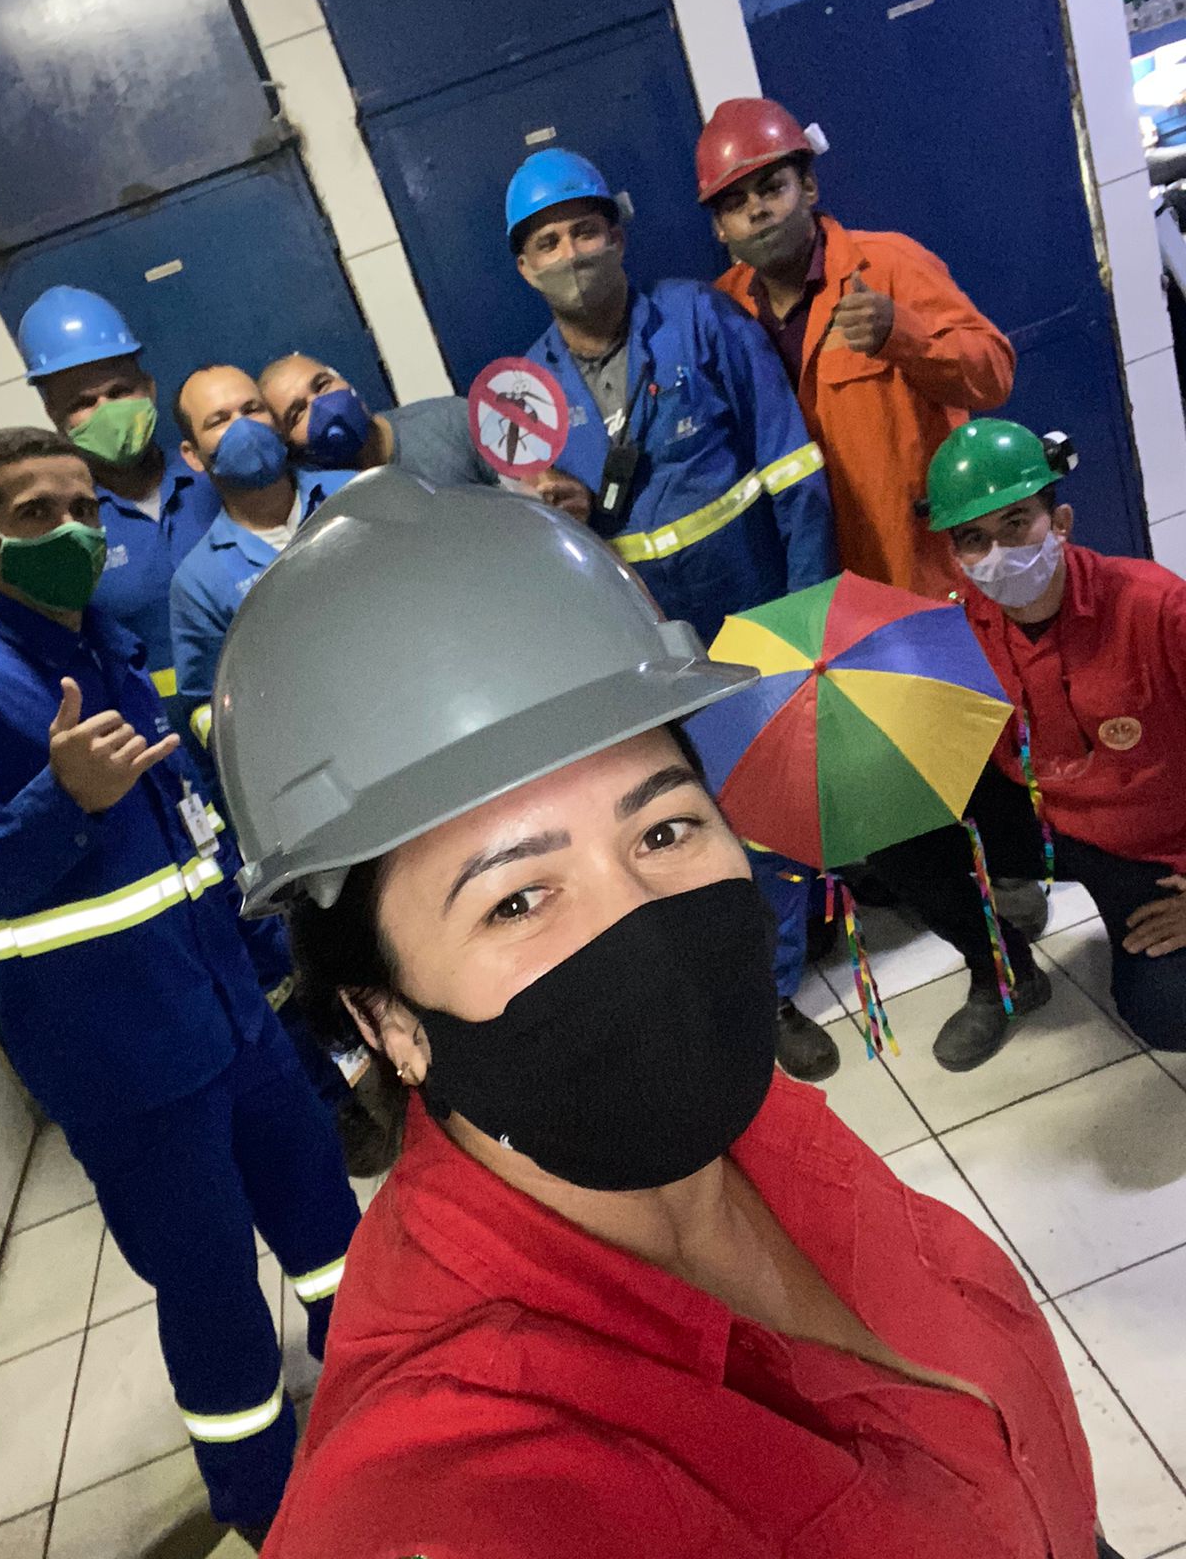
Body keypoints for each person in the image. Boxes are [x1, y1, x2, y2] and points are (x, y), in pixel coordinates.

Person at [210, 471, 1108, 1559]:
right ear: (385, 1017)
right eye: (516, 899)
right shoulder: (452, 1489)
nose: (638, 917)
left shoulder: (757, 1125)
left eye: (665, 831)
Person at [0, 426, 361, 1546]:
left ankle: (382, 1385)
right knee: (210, 1292)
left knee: (328, 1228)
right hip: (124, 1065)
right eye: (37, 514)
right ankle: (267, 1502)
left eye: (84, 509)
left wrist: (275, 975)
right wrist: (61, 804)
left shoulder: (104, 645)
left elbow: (192, 837)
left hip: (235, 1017)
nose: (73, 532)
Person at [508, 146, 840, 1077]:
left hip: (753, 610)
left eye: (584, 231)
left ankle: (774, 990)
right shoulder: (525, 394)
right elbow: (540, 561)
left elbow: (793, 471)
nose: (571, 255)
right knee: (670, 821)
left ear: (618, 235)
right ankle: (724, 982)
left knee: (770, 807)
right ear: (525, 268)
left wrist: (806, 615)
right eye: (547, 243)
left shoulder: (701, 318)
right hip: (637, 649)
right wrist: (559, 514)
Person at [869, 418, 1186, 1068]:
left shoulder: (1155, 607)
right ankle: (1003, 972)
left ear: (1060, 522)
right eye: (973, 538)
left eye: (1015, 524)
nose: (997, 553)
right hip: (1052, 821)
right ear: (955, 556)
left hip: (1158, 845)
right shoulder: (960, 632)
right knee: (892, 821)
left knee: (1165, 1009)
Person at [697, 99, 1016, 599]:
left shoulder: (889, 265)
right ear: (720, 228)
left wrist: (903, 335)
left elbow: (994, 375)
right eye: (735, 204)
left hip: (920, 573)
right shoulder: (719, 312)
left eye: (772, 188)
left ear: (808, 187)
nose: (757, 210)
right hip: (814, 586)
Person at [18, 286, 220, 725]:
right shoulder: (65, 530)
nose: (105, 410)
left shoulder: (216, 478)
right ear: (54, 415)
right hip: (156, 742)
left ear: (148, 388)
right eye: (82, 403)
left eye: (119, 391)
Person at [169, 365, 354, 754]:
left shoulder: (357, 494)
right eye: (219, 420)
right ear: (193, 455)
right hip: (313, 756)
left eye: (252, 409)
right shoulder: (199, 581)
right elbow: (205, 707)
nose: (243, 428)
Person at [257, 349, 591, 520]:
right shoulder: (319, 503)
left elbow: (542, 488)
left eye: (322, 385)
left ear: (344, 381)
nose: (323, 407)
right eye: (298, 412)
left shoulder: (451, 419)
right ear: (291, 446)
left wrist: (558, 497)